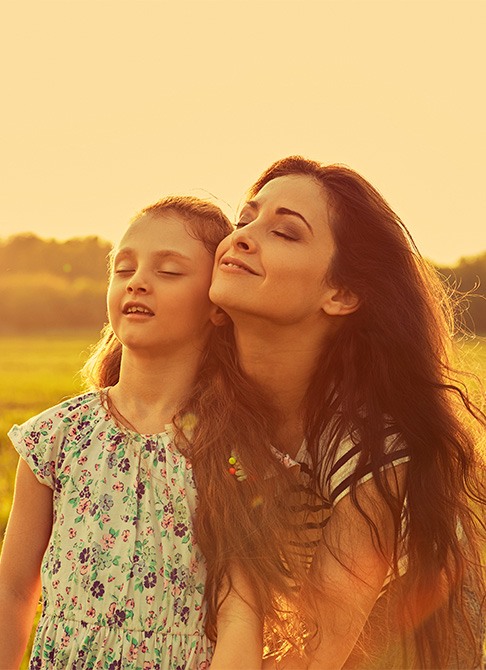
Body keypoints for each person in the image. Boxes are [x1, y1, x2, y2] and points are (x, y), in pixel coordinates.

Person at [195, 156, 485, 669]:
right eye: (244, 220)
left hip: (410, 642)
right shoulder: (206, 402)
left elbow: (317, 649)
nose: (240, 237)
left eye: (285, 232)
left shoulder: (374, 445)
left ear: (342, 293)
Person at [0, 195, 259, 669]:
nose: (138, 281)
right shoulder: (57, 438)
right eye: (124, 268)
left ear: (216, 306)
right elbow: (13, 589)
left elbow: (241, 615)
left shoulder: (234, 452)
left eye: (169, 271)